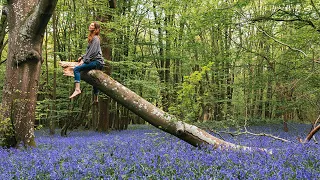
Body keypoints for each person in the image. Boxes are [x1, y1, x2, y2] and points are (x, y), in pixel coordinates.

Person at [69, 22, 105, 103]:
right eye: (90, 25)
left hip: (97, 62)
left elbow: (93, 52)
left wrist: (84, 61)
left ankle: (77, 89)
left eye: (92, 25)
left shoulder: (96, 38)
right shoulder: (92, 38)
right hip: (96, 61)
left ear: (95, 29)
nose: (90, 26)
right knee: (94, 79)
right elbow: (90, 51)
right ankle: (96, 99)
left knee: (76, 69)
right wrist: (82, 56)